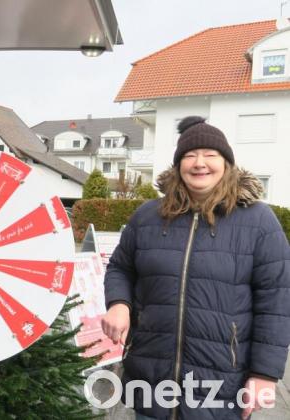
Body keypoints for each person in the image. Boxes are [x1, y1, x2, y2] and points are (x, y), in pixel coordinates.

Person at [101, 116, 290, 420]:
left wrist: (264, 374)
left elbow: (277, 301)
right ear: (178, 165)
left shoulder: (258, 221)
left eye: (210, 154)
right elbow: (121, 268)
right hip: (151, 378)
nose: (199, 163)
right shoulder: (147, 217)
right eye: (190, 155)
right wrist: (119, 304)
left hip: (222, 385)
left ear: (226, 163)